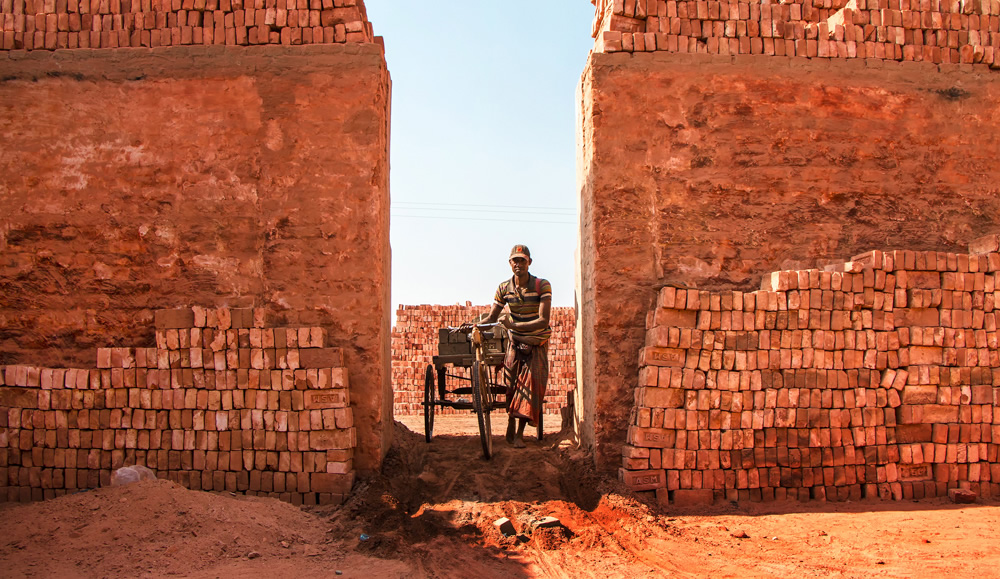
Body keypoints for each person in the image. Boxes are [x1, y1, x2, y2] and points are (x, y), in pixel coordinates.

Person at [480, 244, 552, 448]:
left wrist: (515, 325)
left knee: (529, 385)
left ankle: (520, 434)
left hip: (536, 341)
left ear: (529, 262)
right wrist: (475, 325)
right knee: (511, 385)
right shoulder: (504, 288)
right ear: (510, 263)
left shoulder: (542, 285)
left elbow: (543, 321)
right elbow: (493, 317)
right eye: (515, 260)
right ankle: (511, 421)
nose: (518, 264)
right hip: (515, 341)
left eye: (522, 260)